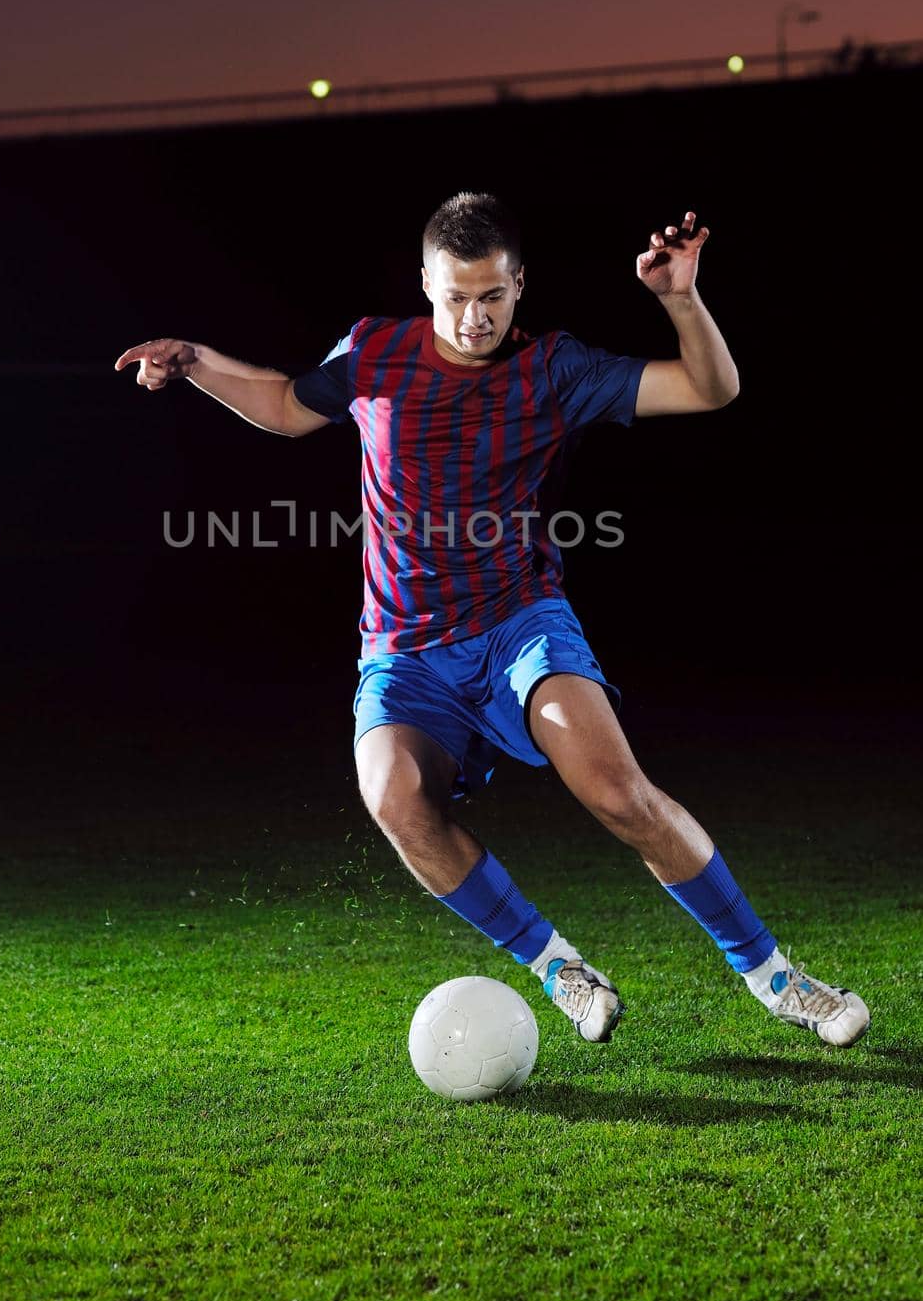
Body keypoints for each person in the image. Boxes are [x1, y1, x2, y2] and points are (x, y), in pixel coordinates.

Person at [114, 191, 870, 1049]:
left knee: (617, 794)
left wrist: (678, 298)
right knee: (393, 798)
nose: (472, 319)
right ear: (425, 283)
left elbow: (710, 388)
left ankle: (776, 979)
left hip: (519, 625)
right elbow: (287, 408)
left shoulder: (553, 370)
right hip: (402, 649)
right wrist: (196, 362)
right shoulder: (373, 351)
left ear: (519, 287)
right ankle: (559, 969)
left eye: (492, 298)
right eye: (453, 297)